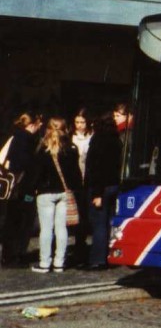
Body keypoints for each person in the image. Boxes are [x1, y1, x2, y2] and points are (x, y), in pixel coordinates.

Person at [27, 116, 83, 272]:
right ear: (66, 129)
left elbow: (35, 174)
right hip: (64, 192)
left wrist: (30, 192)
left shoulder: (42, 148)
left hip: (45, 193)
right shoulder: (71, 148)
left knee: (46, 229)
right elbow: (75, 174)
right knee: (61, 228)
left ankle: (45, 263)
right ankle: (59, 262)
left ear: (48, 129)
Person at [1, 113, 43, 266]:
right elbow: (27, 164)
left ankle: (9, 254)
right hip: (24, 187)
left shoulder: (16, 136)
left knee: (12, 220)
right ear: (33, 124)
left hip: (15, 187)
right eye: (39, 123)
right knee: (23, 220)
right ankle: (16, 254)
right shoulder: (27, 139)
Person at [84, 111, 122, 270]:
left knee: (99, 224)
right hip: (114, 185)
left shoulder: (98, 139)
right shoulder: (117, 140)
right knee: (110, 222)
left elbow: (96, 168)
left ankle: (98, 259)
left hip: (101, 187)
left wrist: (97, 193)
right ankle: (110, 254)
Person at [69, 110, 94, 267]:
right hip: (75, 180)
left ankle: (81, 241)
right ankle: (78, 241)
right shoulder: (70, 138)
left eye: (82, 122)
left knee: (85, 213)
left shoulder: (92, 137)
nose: (79, 125)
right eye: (77, 122)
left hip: (87, 179)